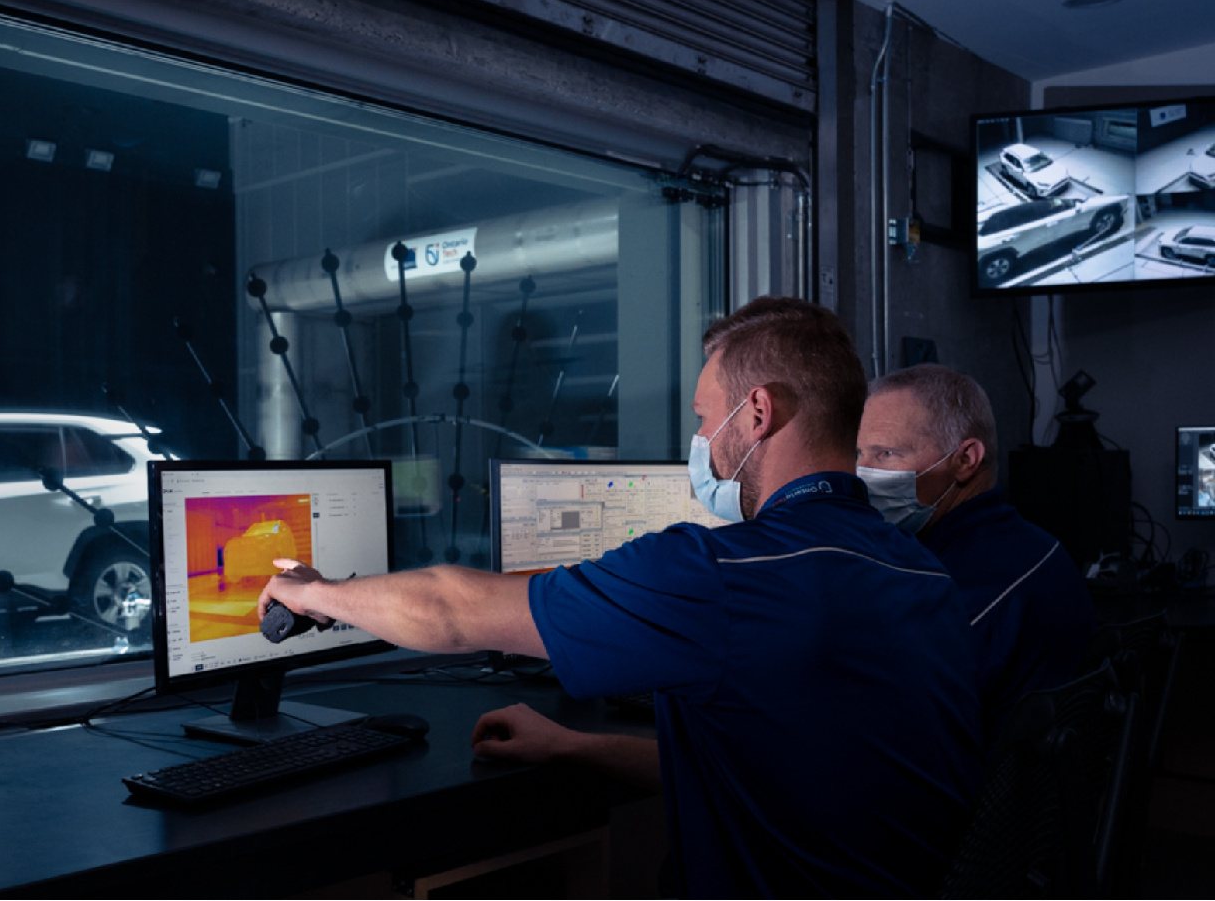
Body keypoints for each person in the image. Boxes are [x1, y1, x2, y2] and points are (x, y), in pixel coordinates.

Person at [262, 297, 983, 898]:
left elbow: (451, 610)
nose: (700, 440)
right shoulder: (922, 572)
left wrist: (320, 592)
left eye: (704, 419)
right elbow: (772, 771)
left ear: (757, 413)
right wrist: (571, 746)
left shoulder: (728, 572)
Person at [856, 364, 1094, 748]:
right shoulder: (1028, 544)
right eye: (858, 454)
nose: (861, 474)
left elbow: (883, 726)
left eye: (886, 454)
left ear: (966, 459)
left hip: (966, 798)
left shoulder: (970, 591)